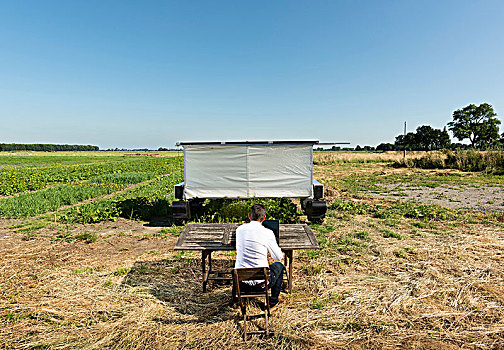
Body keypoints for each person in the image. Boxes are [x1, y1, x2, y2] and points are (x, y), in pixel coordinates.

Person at [234, 204, 285, 310]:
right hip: (261, 283)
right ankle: (272, 302)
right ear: (264, 218)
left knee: (239, 264)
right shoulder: (268, 233)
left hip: (241, 281)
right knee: (279, 266)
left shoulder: (239, 230)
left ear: (249, 216)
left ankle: (238, 301)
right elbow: (278, 256)